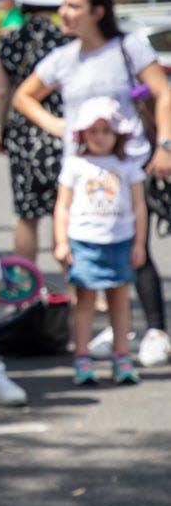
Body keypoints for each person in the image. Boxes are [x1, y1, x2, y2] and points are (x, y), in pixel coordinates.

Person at [14, 0, 171, 368]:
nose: (64, 13)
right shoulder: (64, 59)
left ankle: (155, 330)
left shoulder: (127, 47)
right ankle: (112, 333)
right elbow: (24, 96)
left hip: (128, 165)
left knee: (136, 247)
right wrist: (58, 127)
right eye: (65, 5)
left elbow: (162, 92)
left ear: (98, 12)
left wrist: (166, 146)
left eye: (73, 6)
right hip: (81, 173)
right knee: (82, 250)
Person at [54, 97, 147, 385]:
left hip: (120, 240)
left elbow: (139, 205)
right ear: (81, 133)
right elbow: (63, 206)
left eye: (106, 130)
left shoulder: (127, 165)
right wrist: (61, 242)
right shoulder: (74, 165)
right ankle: (82, 356)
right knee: (85, 301)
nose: (99, 137)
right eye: (93, 131)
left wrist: (139, 243)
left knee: (120, 301)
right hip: (84, 241)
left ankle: (121, 355)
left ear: (118, 134)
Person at [0, 0, 68, 265]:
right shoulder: (67, 41)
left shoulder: (9, 42)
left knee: (26, 216)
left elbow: (3, 93)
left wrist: (2, 131)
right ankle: (80, 291)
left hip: (23, 134)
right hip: (62, 130)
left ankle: (26, 291)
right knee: (64, 211)